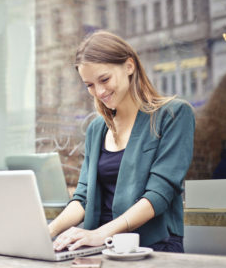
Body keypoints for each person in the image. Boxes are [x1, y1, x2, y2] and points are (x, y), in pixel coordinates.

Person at [49, 31, 195, 253]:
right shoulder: (97, 129)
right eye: (89, 85)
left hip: (152, 247)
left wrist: (101, 234)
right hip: (100, 248)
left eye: (104, 79)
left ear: (129, 66)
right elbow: (82, 198)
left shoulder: (173, 115)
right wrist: (47, 232)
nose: (99, 91)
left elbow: (159, 194)